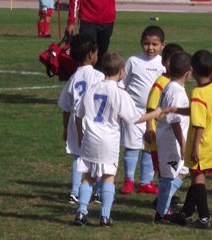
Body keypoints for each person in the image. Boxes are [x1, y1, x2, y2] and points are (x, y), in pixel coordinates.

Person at [73, 51, 162, 227]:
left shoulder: (92, 88)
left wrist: (80, 133)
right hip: (108, 141)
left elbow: (78, 114)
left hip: (90, 138)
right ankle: (105, 216)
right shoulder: (120, 93)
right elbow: (134, 118)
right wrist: (154, 114)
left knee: (88, 176)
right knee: (108, 177)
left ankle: (81, 212)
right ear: (122, 72)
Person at [167, 50, 212, 229]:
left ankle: (205, 219)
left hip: (202, 143)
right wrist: (176, 109)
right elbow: (198, 111)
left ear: (192, 70)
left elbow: (198, 123)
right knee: (195, 177)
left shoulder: (197, 92)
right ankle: (186, 214)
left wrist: (195, 146)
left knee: (198, 179)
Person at [118, 26, 166, 195]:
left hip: (155, 115)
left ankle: (146, 182)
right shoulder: (133, 61)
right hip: (134, 113)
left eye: (155, 44)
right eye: (146, 44)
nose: (150, 48)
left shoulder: (163, 64)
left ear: (163, 45)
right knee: (131, 147)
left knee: (149, 147)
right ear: (141, 43)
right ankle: (129, 180)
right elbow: (122, 85)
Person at [58, 33, 104, 204]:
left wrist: (64, 128)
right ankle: (98, 192)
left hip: (76, 122)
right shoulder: (99, 77)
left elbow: (65, 105)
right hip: (95, 123)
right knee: (99, 158)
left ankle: (74, 192)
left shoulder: (73, 78)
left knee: (79, 158)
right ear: (91, 55)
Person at [145, 43, 185, 210]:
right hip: (160, 136)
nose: (172, 65)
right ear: (164, 62)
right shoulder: (161, 83)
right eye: (170, 61)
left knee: (173, 170)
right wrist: (149, 127)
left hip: (169, 135)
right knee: (166, 173)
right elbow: (151, 107)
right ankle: (163, 205)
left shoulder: (176, 82)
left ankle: (166, 198)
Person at [153, 52, 192, 222]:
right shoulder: (177, 92)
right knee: (168, 177)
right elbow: (175, 122)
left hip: (167, 139)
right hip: (171, 141)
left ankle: (162, 204)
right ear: (188, 73)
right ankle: (161, 213)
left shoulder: (170, 87)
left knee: (184, 170)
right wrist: (182, 143)